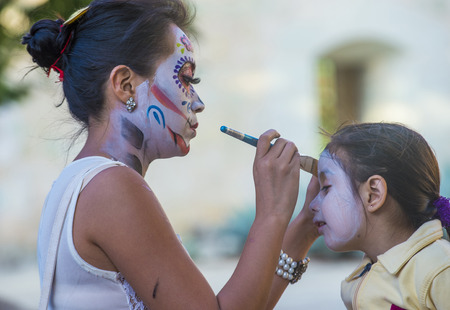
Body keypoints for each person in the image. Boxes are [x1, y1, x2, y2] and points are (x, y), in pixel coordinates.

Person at [22, 0, 320, 308]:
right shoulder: (111, 187)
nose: (198, 101)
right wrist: (272, 212)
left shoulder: (81, 180)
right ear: (125, 85)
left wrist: (305, 225)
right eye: (187, 79)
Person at [309, 122, 450, 310]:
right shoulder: (364, 272)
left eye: (326, 188)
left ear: (373, 194)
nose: (312, 205)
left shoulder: (439, 270)